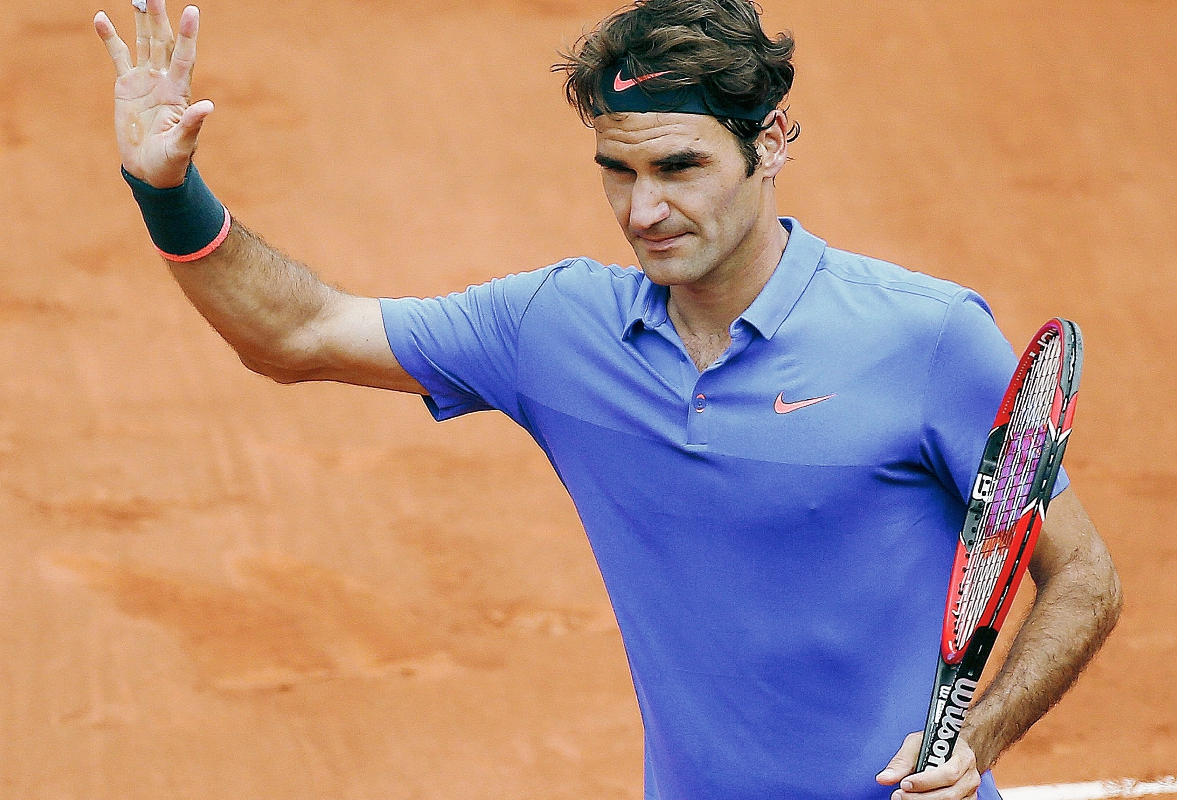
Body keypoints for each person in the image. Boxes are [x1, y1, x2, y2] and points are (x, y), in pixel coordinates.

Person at [93, 0, 1122, 798]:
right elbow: (297, 333)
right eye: (617, 173)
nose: (646, 210)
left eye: (680, 167)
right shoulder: (559, 330)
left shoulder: (926, 337)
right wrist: (169, 190)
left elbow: (1082, 575)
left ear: (770, 143)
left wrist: (980, 734)